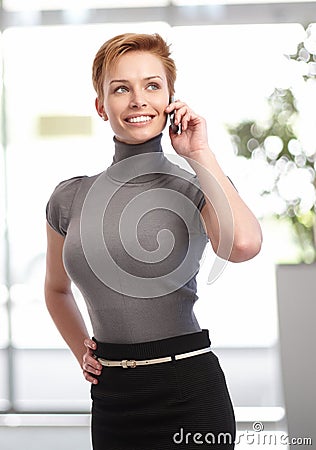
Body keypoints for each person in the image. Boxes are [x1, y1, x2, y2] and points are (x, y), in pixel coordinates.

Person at [44, 33, 262, 450]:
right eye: (121, 88)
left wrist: (199, 153)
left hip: (190, 390)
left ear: (171, 100)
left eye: (152, 85)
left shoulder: (196, 184)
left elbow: (244, 246)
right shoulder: (69, 197)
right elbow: (56, 290)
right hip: (112, 399)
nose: (138, 99)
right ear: (100, 107)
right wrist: (82, 353)